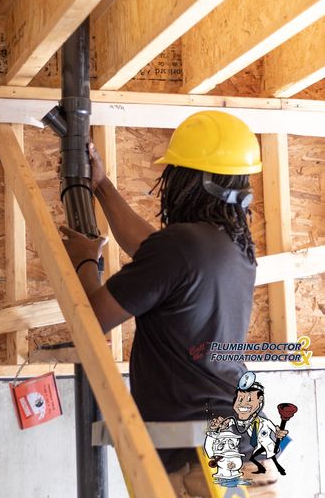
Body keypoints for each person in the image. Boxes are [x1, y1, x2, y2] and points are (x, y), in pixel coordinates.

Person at [60, 110, 280, 497]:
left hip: (193, 456)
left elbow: (91, 319)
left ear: (185, 181)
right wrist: (103, 186)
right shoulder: (233, 249)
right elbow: (151, 253)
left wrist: (84, 260)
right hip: (237, 445)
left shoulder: (179, 248)